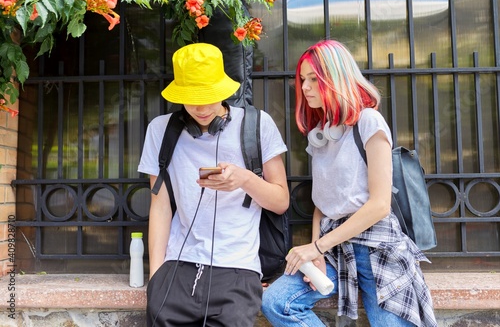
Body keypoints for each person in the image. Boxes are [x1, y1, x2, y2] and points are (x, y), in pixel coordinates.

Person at [261, 40, 437, 327]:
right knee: (277, 303)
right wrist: (317, 251)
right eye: (302, 80)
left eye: (313, 79)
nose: (304, 88)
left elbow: (379, 205)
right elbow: (321, 204)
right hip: (334, 252)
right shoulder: (321, 135)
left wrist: (317, 247)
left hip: (377, 250)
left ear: (335, 77)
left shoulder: (370, 122)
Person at [138, 42, 289, 327]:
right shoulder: (160, 130)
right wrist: (155, 278)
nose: (201, 107)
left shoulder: (257, 125)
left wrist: (244, 179)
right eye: (191, 97)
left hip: (237, 270)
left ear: (223, 89)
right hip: (177, 268)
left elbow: (281, 201)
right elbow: (160, 206)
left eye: (208, 96)